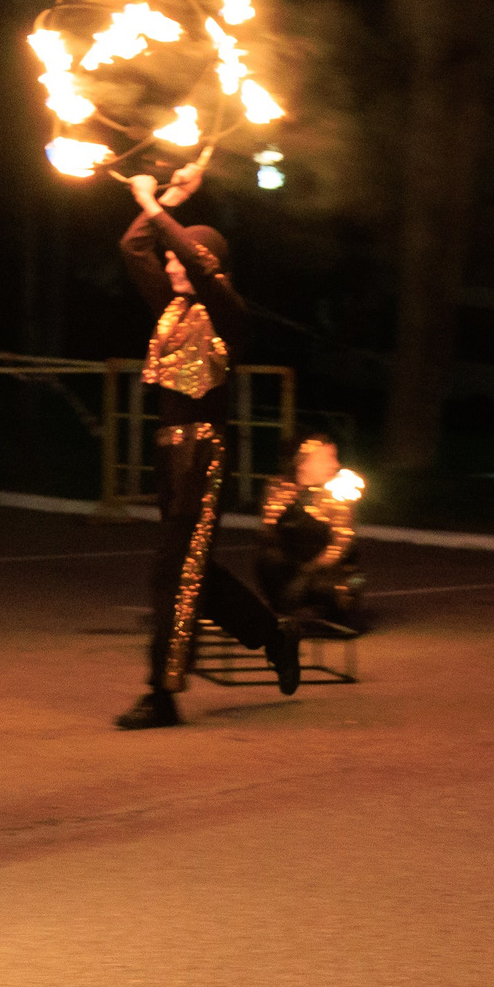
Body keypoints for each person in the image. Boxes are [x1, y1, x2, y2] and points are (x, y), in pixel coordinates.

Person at [115, 162, 298, 728]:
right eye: (169, 258)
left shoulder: (228, 313)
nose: (170, 263)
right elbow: (132, 247)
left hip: (206, 455)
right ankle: (273, 634)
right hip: (171, 453)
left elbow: (187, 253)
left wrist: (157, 208)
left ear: (209, 264)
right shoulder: (170, 307)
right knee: (194, 570)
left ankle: (163, 693)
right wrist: (170, 195)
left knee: (174, 570)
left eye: (182, 258)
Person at [257, 434, 367, 634]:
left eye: (335, 457)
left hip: (327, 572)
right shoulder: (279, 488)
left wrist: (308, 573)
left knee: (335, 587)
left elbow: (342, 543)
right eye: (326, 459)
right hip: (292, 566)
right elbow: (268, 533)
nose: (335, 464)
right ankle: (289, 609)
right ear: (302, 464)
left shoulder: (338, 493)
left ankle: (323, 614)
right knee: (268, 558)